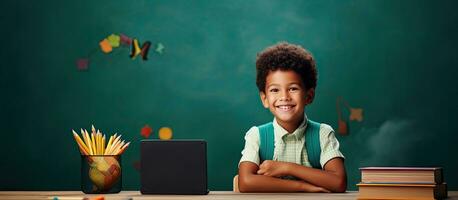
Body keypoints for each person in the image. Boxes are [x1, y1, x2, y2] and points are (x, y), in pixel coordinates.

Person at [237, 42, 346, 193]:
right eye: (275, 90)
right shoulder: (257, 135)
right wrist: (302, 187)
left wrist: (286, 167)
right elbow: (245, 182)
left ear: (309, 96)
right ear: (265, 99)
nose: (284, 97)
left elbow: (339, 182)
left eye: (293, 88)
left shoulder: (322, 133)